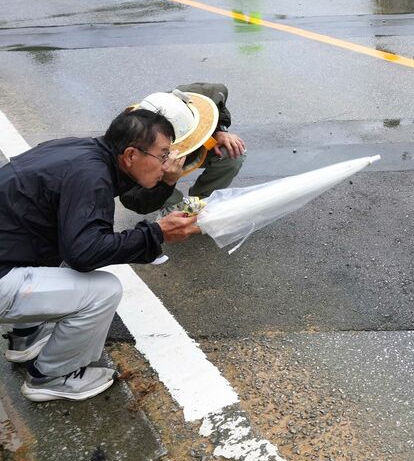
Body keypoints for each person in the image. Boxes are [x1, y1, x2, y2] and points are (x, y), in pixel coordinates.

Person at [0, 110, 200, 402]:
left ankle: (26, 337)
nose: (169, 163)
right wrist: (156, 234)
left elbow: (135, 200)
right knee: (104, 290)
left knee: (61, 233)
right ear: (131, 154)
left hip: (10, 250)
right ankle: (52, 376)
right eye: (164, 154)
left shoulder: (81, 152)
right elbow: (85, 253)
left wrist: (166, 182)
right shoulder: (91, 175)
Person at [119, 83, 247, 216]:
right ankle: (173, 205)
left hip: (198, 144)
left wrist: (218, 130)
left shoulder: (188, 96)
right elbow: (134, 198)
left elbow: (219, 92)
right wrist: (166, 182)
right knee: (149, 181)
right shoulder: (128, 145)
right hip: (156, 165)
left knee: (233, 151)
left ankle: (202, 200)